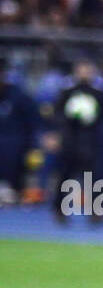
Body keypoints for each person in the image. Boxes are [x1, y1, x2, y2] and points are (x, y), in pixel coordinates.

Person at [52, 59, 103, 222]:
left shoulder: (99, 91)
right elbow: (58, 113)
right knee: (65, 174)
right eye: (82, 68)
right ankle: (59, 209)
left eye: (88, 68)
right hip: (70, 139)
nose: (84, 72)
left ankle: (97, 210)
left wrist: (92, 119)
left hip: (91, 140)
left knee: (94, 176)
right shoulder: (67, 90)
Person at [0, 61, 41, 202]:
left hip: (15, 151)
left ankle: (14, 191)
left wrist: (34, 146)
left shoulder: (19, 97)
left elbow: (34, 122)